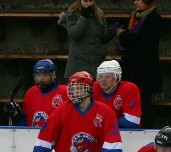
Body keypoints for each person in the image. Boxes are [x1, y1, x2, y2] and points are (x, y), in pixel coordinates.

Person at [110, 0, 162, 128]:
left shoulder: (154, 19)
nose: (134, 2)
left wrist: (121, 34)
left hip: (146, 69)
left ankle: (147, 129)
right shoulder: (134, 17)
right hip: (132, 68)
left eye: (138, 0)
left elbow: (141, 41)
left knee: (144, 102)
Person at [3, 59, 68, 128]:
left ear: (53, 75)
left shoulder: (65, 91)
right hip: (33, 136)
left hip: (55, 137)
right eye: (39, 75)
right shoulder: (31, 93)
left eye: (45, 75)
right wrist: (17, 115)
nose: (42, 79)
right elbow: (25, 123)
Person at [59, 0, 114, 79]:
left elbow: (102, 38)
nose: (88, 4)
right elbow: (74, 34)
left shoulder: (99, 13)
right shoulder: (72, 13)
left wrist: (111, 32)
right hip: (79, 63)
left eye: (91, 1)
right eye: (85, 1)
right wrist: (84, 17)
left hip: (96, 61)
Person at [92, 60, 142, 130]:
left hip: (126, 135)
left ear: (117, 78)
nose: (103, 80)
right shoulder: (92, 88)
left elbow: (132, 121)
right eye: (100, 76)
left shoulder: (129, 89)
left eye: (107, 76)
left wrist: (101, 123)